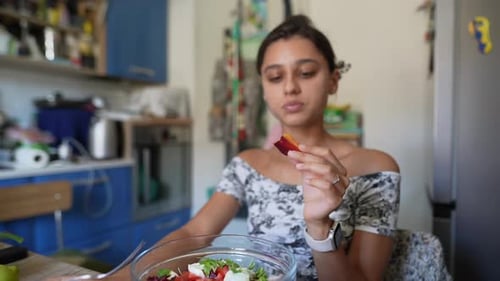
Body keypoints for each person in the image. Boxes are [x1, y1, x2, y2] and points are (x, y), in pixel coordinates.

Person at [49, 14, 400, 281]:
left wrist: (320, 228)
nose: (290, 87)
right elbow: (192, 233)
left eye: (306, 73)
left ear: (333, 80)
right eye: (275, 77)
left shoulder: (376, 168)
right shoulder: (247, 163)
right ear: (263, 89)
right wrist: (120, 278)